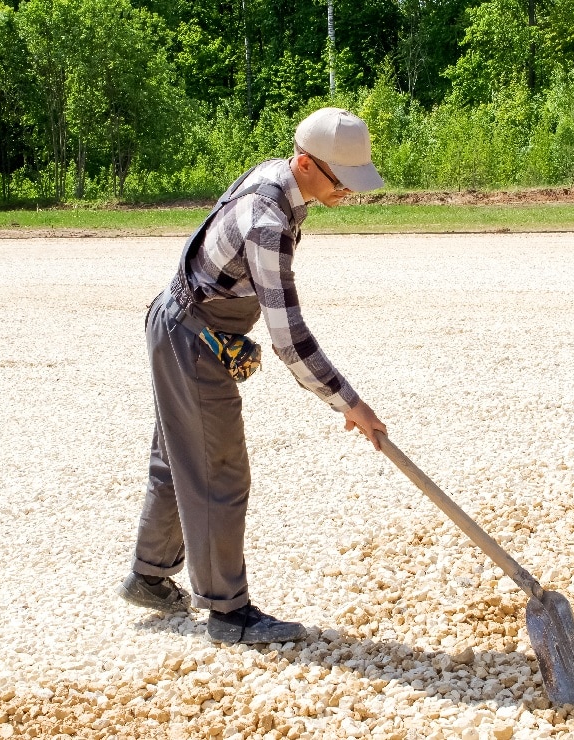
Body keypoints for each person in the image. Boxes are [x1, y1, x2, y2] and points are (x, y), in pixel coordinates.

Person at [117, 108, 388, 645]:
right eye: (342, 181)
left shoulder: (277, 177)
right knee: (219, 471)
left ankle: (148, 576)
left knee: (178, 457)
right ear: (307, 163)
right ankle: (228, 613)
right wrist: (349, 402)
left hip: (181, 325)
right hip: (193, 338)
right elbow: (289, 339)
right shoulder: (268, 222)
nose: (349, 193)